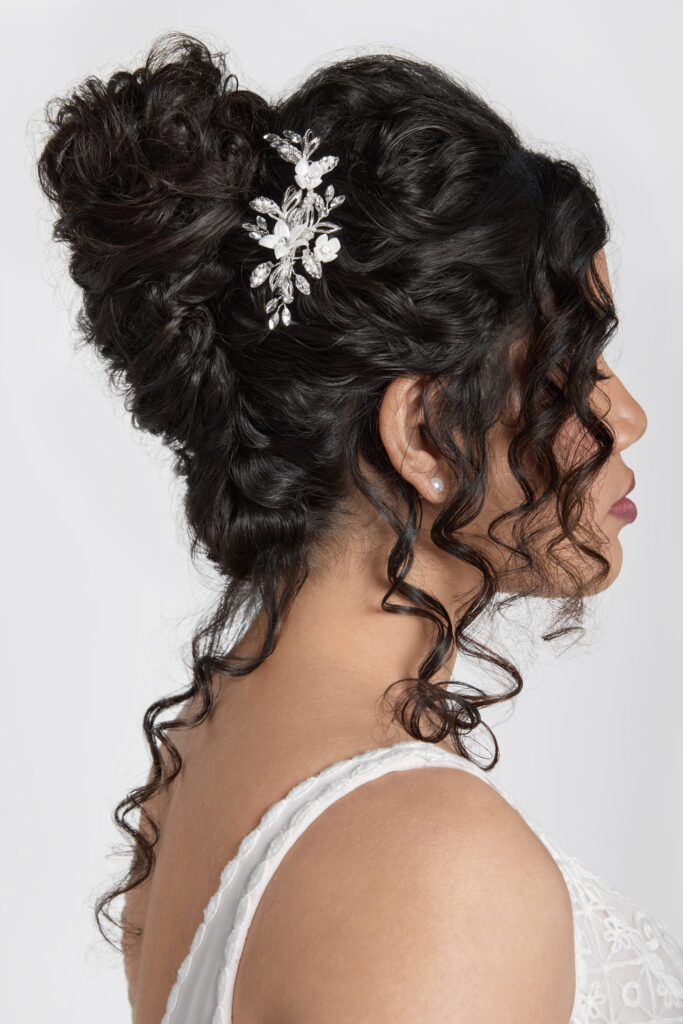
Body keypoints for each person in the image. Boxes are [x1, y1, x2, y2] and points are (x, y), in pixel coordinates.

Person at [36, 30, 681, 1024]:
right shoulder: (426, 870)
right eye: (575, 361)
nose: (624, 416)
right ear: (424, 429)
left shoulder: (207, 755)